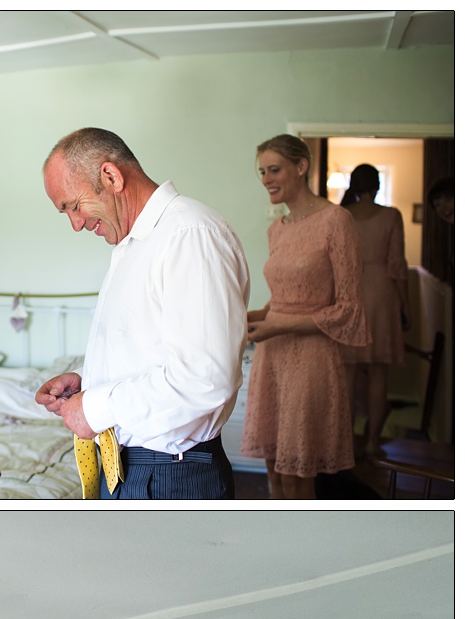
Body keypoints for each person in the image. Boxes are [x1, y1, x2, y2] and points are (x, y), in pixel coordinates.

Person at [34, 127, 250, 499]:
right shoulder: (135, 243)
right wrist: (89, 381)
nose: (76, 223)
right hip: (131, 469)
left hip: (170, 477)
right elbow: (154, 350)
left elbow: (206, 377)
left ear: (111, 177)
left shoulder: (189, 235)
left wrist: (96, 408)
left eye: (73, 205)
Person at [241, 134, 368, 498]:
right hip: (271, 358)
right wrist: (246, 316)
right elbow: (282, 300)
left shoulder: (335, 221)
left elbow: (349, 308)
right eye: (262, 171)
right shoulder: (275, 230)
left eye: (275, 169)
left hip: (311, 360)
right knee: (273, 467)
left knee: (299, 474)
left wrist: (282, 324)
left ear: (301, 166)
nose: (266, 178)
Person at [340, 164, 410, 457]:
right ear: (377, 185)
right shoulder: (391, 216)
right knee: (379, 373)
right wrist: (406, 306)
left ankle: (345, 441)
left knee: (349, 372)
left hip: (351, 292)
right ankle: (370, 442)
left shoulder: (342, 216)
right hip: (382, 295)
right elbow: (397, 264)